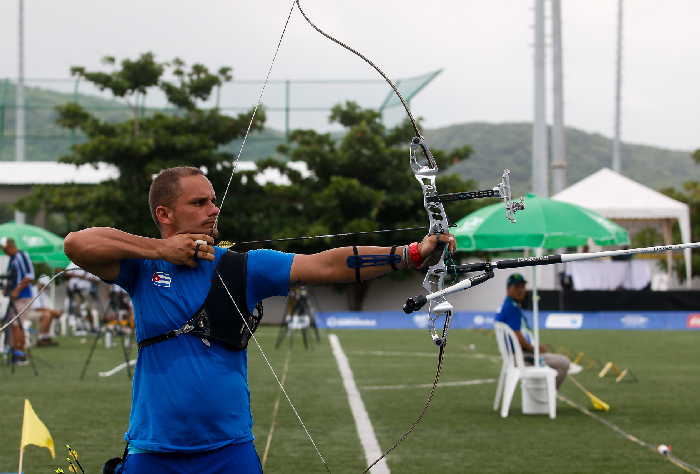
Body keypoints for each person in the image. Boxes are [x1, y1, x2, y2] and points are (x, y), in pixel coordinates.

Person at [63, 166, 454, 474]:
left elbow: (327, 264)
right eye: (199, 203)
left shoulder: (242, 268)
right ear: (164, 214)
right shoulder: (142, 268)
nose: (214, 210)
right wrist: (161, 248)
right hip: (154, 449)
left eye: (213, 200)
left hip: (228, 450)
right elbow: (77, 243)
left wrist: (412, 253)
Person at [495, 273, 570, 388]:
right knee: (564, 363)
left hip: (515, 356)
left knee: (553, 357)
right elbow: (517, 336)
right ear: (508, 289)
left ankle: (544, 393)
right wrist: (535, 349)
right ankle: (546, 395)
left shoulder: (508, 305)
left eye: (523, 287)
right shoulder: (511, 308)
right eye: (517, 287)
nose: (521, 290)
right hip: (520, 357)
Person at [1, 237, 35, 365]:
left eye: (4, 249)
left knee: (17, 326)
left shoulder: (21, 255)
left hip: (23, 296)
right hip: (16, 297)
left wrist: (17, 289)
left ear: (10, 246)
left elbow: (30, 275)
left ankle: (20, 355)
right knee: (13, 325)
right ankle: (15, 352)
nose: (4, 252)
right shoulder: (12, 258)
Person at [27, 275, 63, 346]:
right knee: (47, 315)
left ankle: (46, 337)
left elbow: (44, 307)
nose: (46, 288)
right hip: (28, 312)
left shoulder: (41, 292)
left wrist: (54, 312)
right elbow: (37, 308)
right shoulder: (33, 290)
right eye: (45, 286)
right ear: (41, 284)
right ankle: (41, 339)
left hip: (36, 312)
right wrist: (54, 312)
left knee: (49, 314)